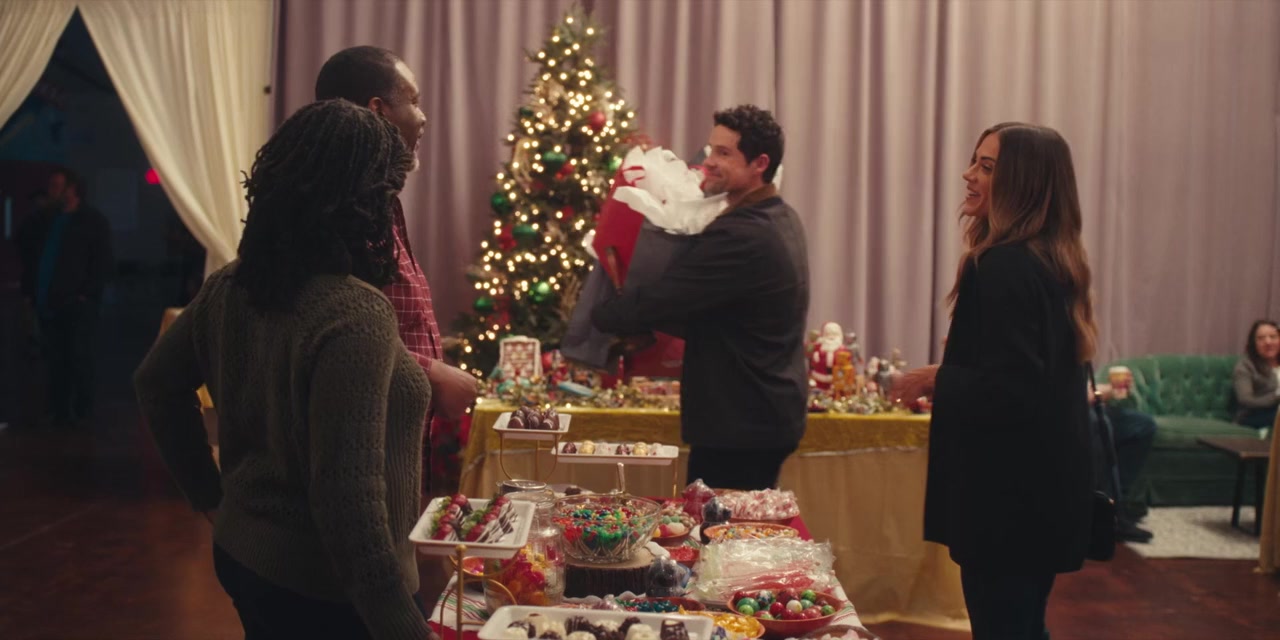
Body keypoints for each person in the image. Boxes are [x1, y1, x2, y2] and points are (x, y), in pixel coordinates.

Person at [134, 100, 431, 639]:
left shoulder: (231, 284)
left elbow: (155, 383)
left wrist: (212, 499)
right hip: (333, 593)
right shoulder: (354, 312)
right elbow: (349, 501)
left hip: (248, 557)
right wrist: (405, 628)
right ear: (364, 201)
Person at [896, 123, 1097, 639]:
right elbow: (1030, 373)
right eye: (975, 161)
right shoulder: (1052, 260)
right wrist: (951, 368)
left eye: (986, 167)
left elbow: (1012, 391)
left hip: (1007, 502)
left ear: (1022, 184)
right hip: (1044, 493)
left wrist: (942, 380)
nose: (969, 175)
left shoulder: (1003, 265)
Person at [592, 105, 809, 490]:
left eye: (724, 153)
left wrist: (602, 313)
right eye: (711, 150)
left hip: (741, 426)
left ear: (760, 164)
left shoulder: (743, 234)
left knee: (720, 526)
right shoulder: (780, 216)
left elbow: (666, 298)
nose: (708, 162)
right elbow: (717, 313)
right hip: (761, 415)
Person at [315, 45, 479, 492]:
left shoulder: (380, 201)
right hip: (360, 456)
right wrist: (431, 372)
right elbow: (332, 329)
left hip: (397, 445)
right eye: (414, 100)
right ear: (378, 111)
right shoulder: (340, 210)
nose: (423, 117)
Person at [15, 167, 113, 428]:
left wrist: (86, 293)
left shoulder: (92, 221)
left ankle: (81, 411)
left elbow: (102, 261)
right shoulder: (46, 220)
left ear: (72, 189)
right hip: (49, 300)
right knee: (55, 357)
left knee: (78, 356)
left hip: (77, 302)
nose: (53, 192)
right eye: (51, 187)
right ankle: (58, 410)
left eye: (58, 186)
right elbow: (27, 248)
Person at [1233, 319, 1279, 429]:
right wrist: (1277, 396)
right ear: (1254, 343)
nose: (1268, 342)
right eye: (1261, 338)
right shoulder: (1245, 366)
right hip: (1253, 416)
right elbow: (1246, 400)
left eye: (1273, 337)